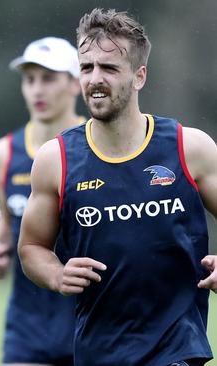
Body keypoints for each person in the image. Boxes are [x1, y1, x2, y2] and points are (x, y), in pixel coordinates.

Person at [18, 8, 217, 366]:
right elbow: (32, 247)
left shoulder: (190, 148)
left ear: (139, 76)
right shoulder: (56, 160)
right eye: (86, 67)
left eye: (109, 68)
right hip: (97, 351)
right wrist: (58, 274)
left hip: (177, 348)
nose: (95, 79)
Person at [0, 37, 83, 366]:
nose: (38, 89)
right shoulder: (4, 153)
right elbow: (8, 228)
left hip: (92, 326)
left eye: (49, 79)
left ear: (76, 84)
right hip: (28, 330)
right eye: (30, 79)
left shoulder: (96, 147)